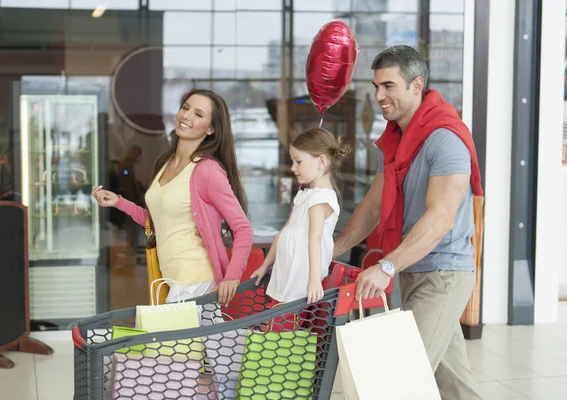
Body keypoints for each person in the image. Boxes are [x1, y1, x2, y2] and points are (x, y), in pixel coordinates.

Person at [333, 45, 483, 400]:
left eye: (388, 86)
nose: (378, 96)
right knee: (456, 387)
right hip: (415, 270)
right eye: (375, 87)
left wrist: (386, 265)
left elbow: (442, 217)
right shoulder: (399, 142)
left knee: (401, 383)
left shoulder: (445, 139)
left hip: (443, 275)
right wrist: (331, 249)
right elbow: (371, 208)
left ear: (417, 86)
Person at [92, 89, 253, 306]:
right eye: (185, 108)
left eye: (198, 114)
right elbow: (159, 220)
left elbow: (243, 228)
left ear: (212, 129)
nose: (186, 116)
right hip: (173, 279)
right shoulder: (165, 163)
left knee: (170, 340)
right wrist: (118, 202)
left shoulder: (207, 171)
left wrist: (231, 277)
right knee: (202, 341)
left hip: (194, 280)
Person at [252, 128, 350, 305]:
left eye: (298, 161)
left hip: (299, 282)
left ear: (321, 162)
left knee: (285, 327)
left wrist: (313, 280)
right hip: (286, 276)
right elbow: (283, 233)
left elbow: (315, 239)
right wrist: (265, 265)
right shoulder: (307, 195)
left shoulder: (320, 199)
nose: (292, 168)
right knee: (278, 327)